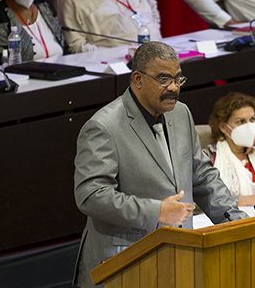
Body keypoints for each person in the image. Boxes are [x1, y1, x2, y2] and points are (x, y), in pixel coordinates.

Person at [73, 42, 246, 288]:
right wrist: (156, 212)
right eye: (164, 79)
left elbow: (201, 174)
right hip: (124, 262)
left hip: (179, 255)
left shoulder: (180, 113)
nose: (174, 88)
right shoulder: (103, 126)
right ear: (138, 79)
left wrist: (235, 220)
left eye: (178, 78)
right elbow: (90, 195)